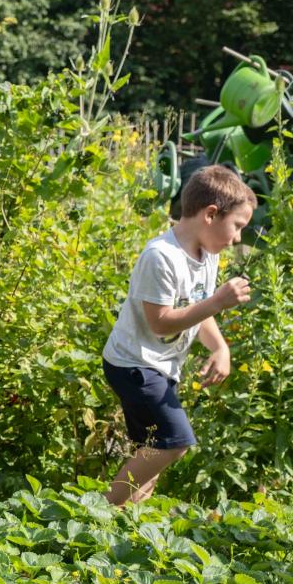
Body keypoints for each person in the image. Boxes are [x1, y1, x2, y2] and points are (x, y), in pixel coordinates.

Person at [101, 164, 255, 506]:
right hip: (133, 363)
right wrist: (217, 301)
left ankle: (122, 520)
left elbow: (197, 311)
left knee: (152, 455)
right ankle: (100, 511)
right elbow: (161, 322)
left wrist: (220, 347)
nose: (238, 239)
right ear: (211, 214)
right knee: (174, 440)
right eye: (237, 226)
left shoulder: (206, 254)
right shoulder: (161, 257)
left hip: (160, 365)